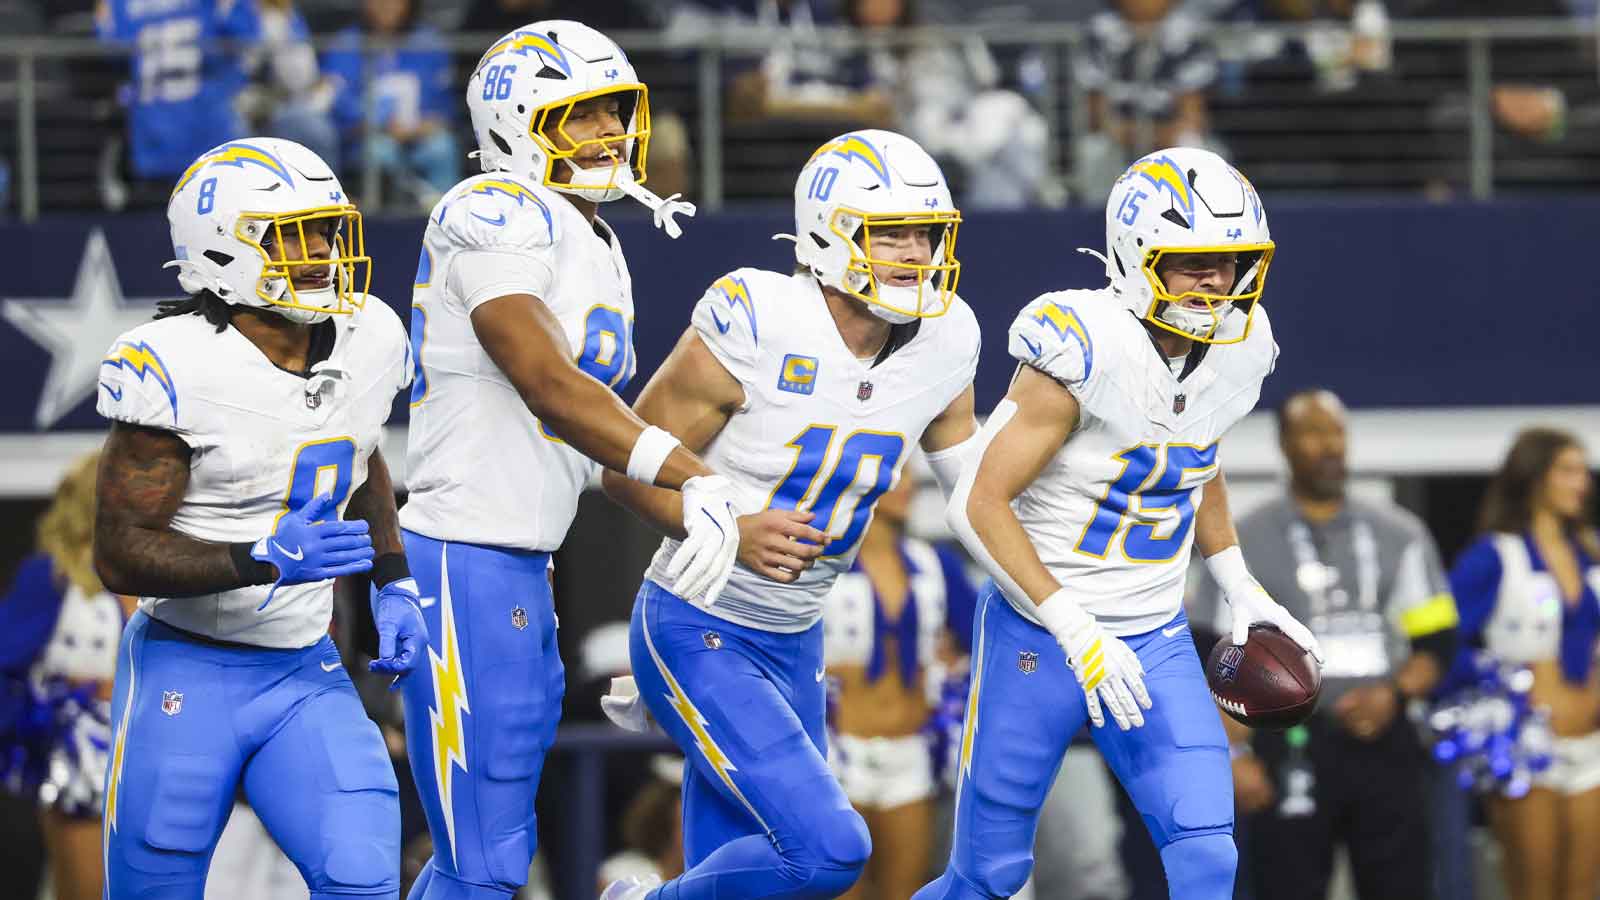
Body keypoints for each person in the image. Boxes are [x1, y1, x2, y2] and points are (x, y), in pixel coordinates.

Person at [398, 20, 747, 900]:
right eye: (577, 118)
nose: (606, 137)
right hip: (463, 556)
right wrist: (694, 475)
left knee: (498, 857)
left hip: (519, 564)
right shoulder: (492, 210)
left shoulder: (595, 241)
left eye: (611, 115)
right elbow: (548, 384)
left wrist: (721, 520)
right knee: (482, 863)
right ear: (513, 126)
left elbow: (593, 452)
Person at [919, 146, 1321, 900]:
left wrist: (1239, 584)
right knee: (988, 881)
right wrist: (1073, 626)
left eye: (1230, 261)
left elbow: (1193, 455)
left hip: (1154, 634)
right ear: (1138, 258)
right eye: (1193, 261)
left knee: (1208, 855)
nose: (1215, 280)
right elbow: (977, 500)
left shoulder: (1242, 345)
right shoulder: (1085, 344)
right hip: (1038, 634)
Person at [598, 128, 982, 900]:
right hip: (696, 618)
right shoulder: (760, 315)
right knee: (829, 852)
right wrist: (727, 529)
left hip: (795, 634)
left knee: (754, 868)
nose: (914, 254)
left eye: (925, 235)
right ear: (825, 236)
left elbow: (976, 489)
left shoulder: (948, 336)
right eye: (890, 233)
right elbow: (621, 471)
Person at [93, 135, 426, 896]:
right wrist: (260, 556)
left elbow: (362, 449)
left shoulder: (371, 335)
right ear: (219, 252)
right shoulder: (177, 365)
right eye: (291, 235)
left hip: (305, 666)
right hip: (187, 663)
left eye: (326, 230)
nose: (320, 251)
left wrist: (394, 577)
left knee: (364, 876)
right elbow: (119, 554)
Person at [1197, 388, 1458, 900]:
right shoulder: (1241, 540)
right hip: (1288, 741)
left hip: (1384, 739)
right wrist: (1232, 753)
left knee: (1402, 885)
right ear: (1285, 445)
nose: (1328, 446)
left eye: (1335, 432)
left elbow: (1439, 643)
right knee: (1286, 885)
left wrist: (1395, 695)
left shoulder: (1400, 534)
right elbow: (1212, 651)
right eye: (1312, 434)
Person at [1449, 427, 1600, 900]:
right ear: (1534, 477)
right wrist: (1500, 681)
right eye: (1568, 470)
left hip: (1591, 748)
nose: (1583, 483)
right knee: (1532, 890)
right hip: (1525, 750)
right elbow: (1440, 642)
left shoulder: (1592, 555)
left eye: (1584, 471)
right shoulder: (1494, 555)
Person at [822, 473, 977, 900]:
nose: (907, 486)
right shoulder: (817, 563)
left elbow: (983, 643)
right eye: (895, 475)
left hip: (910, 755)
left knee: (906, 891)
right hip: (835, 756)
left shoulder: (935, 564)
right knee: (837, 889)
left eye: (910, 475)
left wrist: (954, 667)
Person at [0, 452, 126, 900]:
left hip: (166, 755)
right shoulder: (52, 576)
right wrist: (63, 704)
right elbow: (7, 663)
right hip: (88, 761)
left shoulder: (170, 573)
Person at [94, 0, 265, 200]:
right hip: (211, 130)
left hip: (153, 134)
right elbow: (249, 39)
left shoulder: (120, 4)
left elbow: (109, 47)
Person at [321, 0, 459, 206]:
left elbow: (445, 103)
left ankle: (446, 218)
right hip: (367, 137)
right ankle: (388, 225)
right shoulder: (346, 43)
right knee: (382, 152)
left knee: (442, 147)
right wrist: (377, 125)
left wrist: (422, 126)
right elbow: (336, 103)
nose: (386, 5)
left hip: (419, 134)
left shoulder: (428, 42)